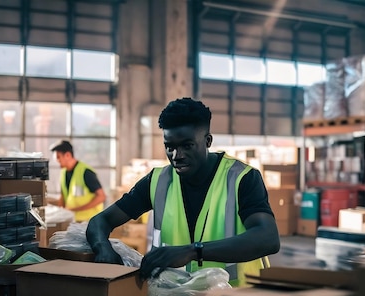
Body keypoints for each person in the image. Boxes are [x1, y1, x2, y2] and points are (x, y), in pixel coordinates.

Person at [86, 97, 279, 286]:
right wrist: (103, 249)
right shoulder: (158, 181)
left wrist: (194, 251)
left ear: (208, 141)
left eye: (187, 146)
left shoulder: (241, 178)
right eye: (169, 147)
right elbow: (100, 221)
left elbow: (268, 238)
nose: (176, 156)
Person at [51, 140, 106, 222]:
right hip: (73, 221)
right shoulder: (63, 172)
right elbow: (64, 196)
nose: (56, 160)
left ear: (68, 155)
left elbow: (101, 197)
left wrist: (76, 209)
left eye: (58, 157)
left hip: (89, 221)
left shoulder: (86, 172)